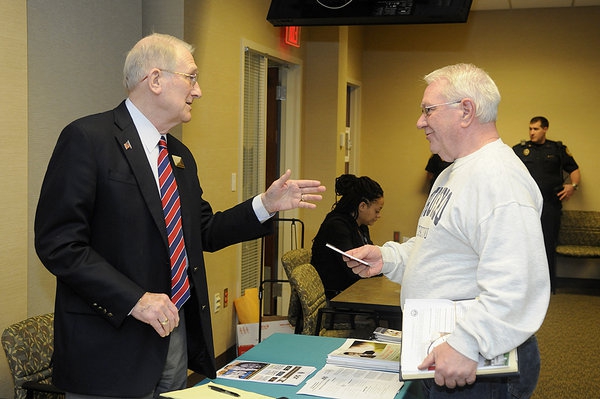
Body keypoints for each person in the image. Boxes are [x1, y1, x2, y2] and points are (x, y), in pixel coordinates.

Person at [34, 33, 326, 399]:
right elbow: (59, 244)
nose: (198, 90)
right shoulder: (87, 139)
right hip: (108, 349)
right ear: (155, 80)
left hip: (173, 341)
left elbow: (202, 231)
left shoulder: (179, 155)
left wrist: (264, 205)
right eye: (191, 76)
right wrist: (136, 299)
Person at [344, 64, 550, 398]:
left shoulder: (499, 179)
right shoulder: (454, 172)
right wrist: (388, 257)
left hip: (477, 363)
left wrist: (467, 342)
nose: (420, 121)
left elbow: (518, 283)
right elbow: (435, 246)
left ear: (466, 111)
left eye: (428, 110)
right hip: (449, 350)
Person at [512, 116, 580, 293]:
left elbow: (574, 169)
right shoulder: (520, 150)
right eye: (530, 129)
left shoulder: (557, 149)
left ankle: (548, 286)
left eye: (535, 129)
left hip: (550, 205)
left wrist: (573, 186)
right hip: (525, 206)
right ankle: (524, 285)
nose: (531, 132)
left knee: (548, 244)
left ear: (545, 129)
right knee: (523, 245)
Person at [311, 174, 384, 299]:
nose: (379, 215)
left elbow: (370, 260)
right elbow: (353, 268)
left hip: (351, 291)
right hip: (335, 297)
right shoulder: (336, 226)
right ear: (362, 206)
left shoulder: (361, 226)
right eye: (377, 211)